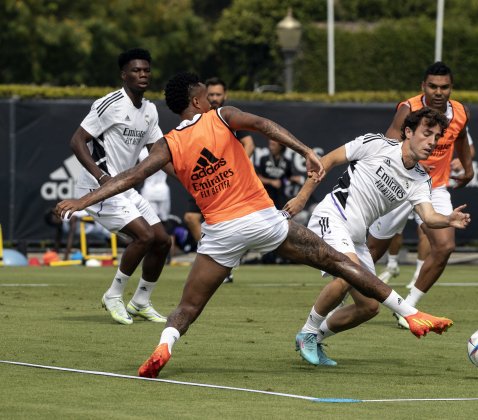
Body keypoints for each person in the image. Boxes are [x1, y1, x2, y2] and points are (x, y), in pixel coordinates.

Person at [55, 71, 441, 378]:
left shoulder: (167, 144)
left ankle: (165, 345)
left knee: (187, 308)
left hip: (220, 233)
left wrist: (81, 201)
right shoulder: (221, 117)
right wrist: (306, 150)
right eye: (207, 95)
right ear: (196, 101)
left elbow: (126, 177)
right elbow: (265, 125)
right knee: (338, 262)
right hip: (261, 220)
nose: (213, 100)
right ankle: (409, 312)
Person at [285, 108, 471, 366]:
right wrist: (302, 197)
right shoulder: (376, 144)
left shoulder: (420, 179)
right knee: (346, 274)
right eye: (427, 134)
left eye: (437, 137)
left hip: (358, 238)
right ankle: (307, 330)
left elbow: (428, 217)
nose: (432, 143)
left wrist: (448, 219)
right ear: (408, 132)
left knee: (369, 307)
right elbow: (326, 160)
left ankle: (315, 336)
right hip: (333, 215)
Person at [367, 61, 474, 329]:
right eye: (433, 86)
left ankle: (408, 308)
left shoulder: (460, 112)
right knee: (371, 251)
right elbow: (388, 144)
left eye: (445, 87)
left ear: (451, 88)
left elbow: (460, 138)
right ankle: (343, 289)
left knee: (445, 246)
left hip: (433, 187)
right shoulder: (409, 108)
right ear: (423, 86)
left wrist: (468, 169)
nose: (439, 92)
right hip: (400, 184)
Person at [69, 48, 171, 325]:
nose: (142, 75)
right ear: (123, 75)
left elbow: (158, 155)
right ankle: (113, 295)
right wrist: (102, 177)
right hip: (97, 188)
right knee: (144, 237)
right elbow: (77, 141)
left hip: (125, 189)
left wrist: (191, 179)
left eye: (146, 70)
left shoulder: (149, 110)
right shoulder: (109, 103)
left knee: (162, 241)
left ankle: (140, 301)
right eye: (136, 70)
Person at [378, 130, 476, 288]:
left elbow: (469, 147)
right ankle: (391, 264)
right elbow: (393, 144)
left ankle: (418, 274)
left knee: (430, 233)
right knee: (388, 235)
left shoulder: (458, 118)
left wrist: (463, 162)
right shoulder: (411, 112)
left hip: (433, 186)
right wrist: (411, 159)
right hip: (402, 181)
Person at [183, 77, 255, 281]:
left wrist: (236, 166)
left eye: (218, 95)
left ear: (225, 96)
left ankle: (220, 266)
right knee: (191, 218)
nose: (214, 98)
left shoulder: (228, 116)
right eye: (210, 95)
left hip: (226, 179)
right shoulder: (197, 116)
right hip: (204, 176)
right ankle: (218, 264)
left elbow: (249, 144)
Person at [139, 147, 171, 222]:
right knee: (160, 220)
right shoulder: (165, 151)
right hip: (161, 191)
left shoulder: (141, 153)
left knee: (153, 221)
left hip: (150, 191)